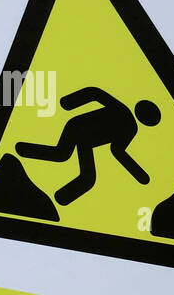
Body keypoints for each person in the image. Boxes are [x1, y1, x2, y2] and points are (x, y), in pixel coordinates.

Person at [15, 87, 160, 206]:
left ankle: (60, 199)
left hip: (83, 138)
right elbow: (95, 94)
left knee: (82, 172)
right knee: (64, 157)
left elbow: (95, 93)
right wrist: (68, 102)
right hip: (78, 128)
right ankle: (22, 149)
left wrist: (140, 175)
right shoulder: (128, 122)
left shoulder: (129, 126)